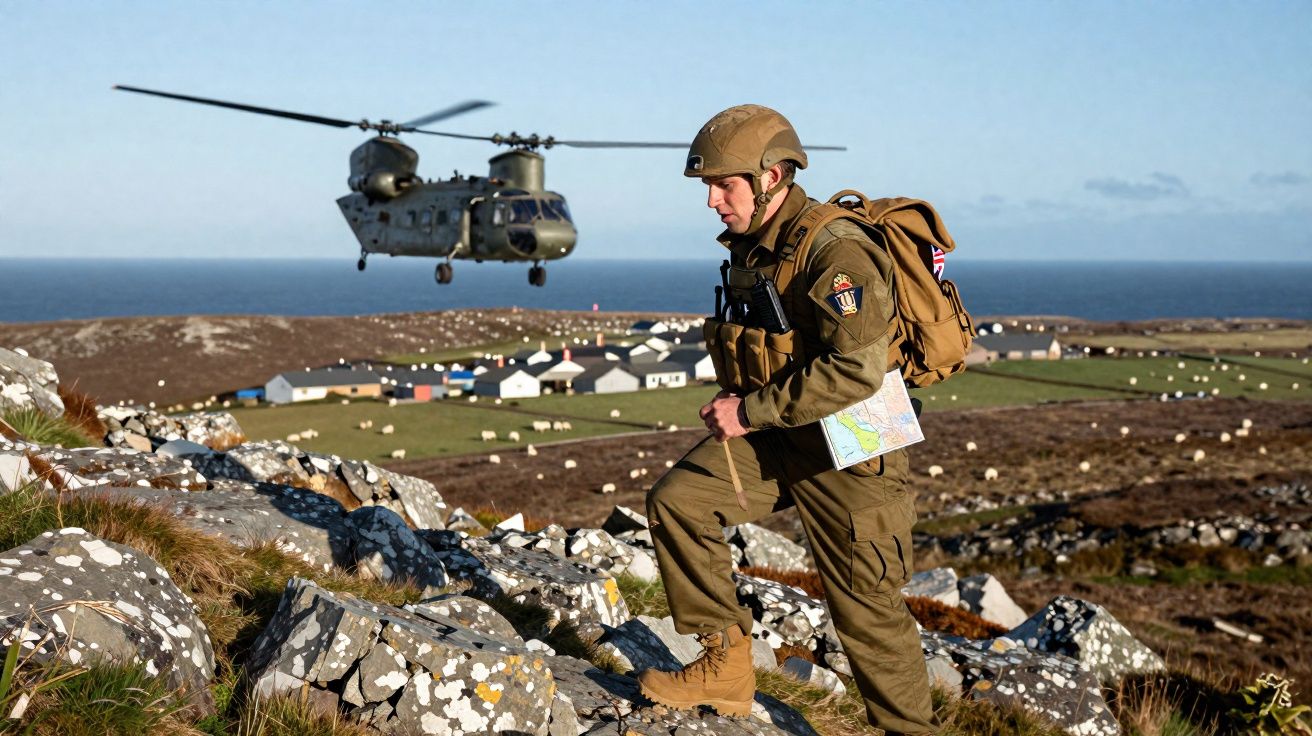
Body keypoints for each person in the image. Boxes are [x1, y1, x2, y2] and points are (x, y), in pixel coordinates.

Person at [637, 105, 941, 735]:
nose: (713, 201)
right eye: (708, 187)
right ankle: (725, 667)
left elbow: (857, 371)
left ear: (771, 176)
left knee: (865, 610)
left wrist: (748, 411)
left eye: (724, 185)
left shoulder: (837, 251)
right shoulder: (758, 245)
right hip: (783, 431)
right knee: (679, 502)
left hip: (856, 438)